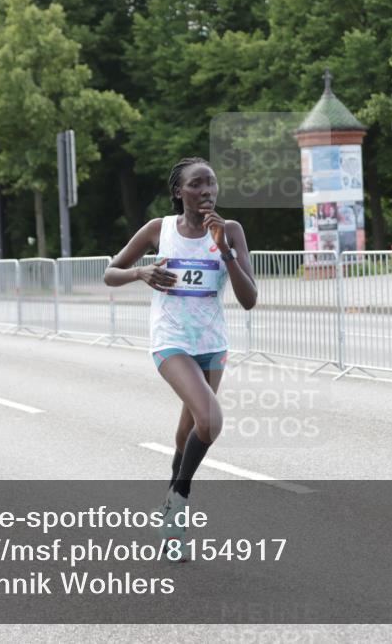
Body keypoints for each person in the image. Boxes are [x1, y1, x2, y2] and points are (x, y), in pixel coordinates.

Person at [104, 157, 257, 560]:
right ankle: (180, 501)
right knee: (210, 420)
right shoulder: (160, 230)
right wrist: (141, 273)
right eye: (196, 184)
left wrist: (225, 251)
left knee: (189, 430)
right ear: (179, 192)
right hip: (171, 341)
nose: (206, 191)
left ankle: (170, 518)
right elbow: (110, 272)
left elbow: (249, 299)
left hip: (212, 344)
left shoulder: (232, 231)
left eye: (211, 184)